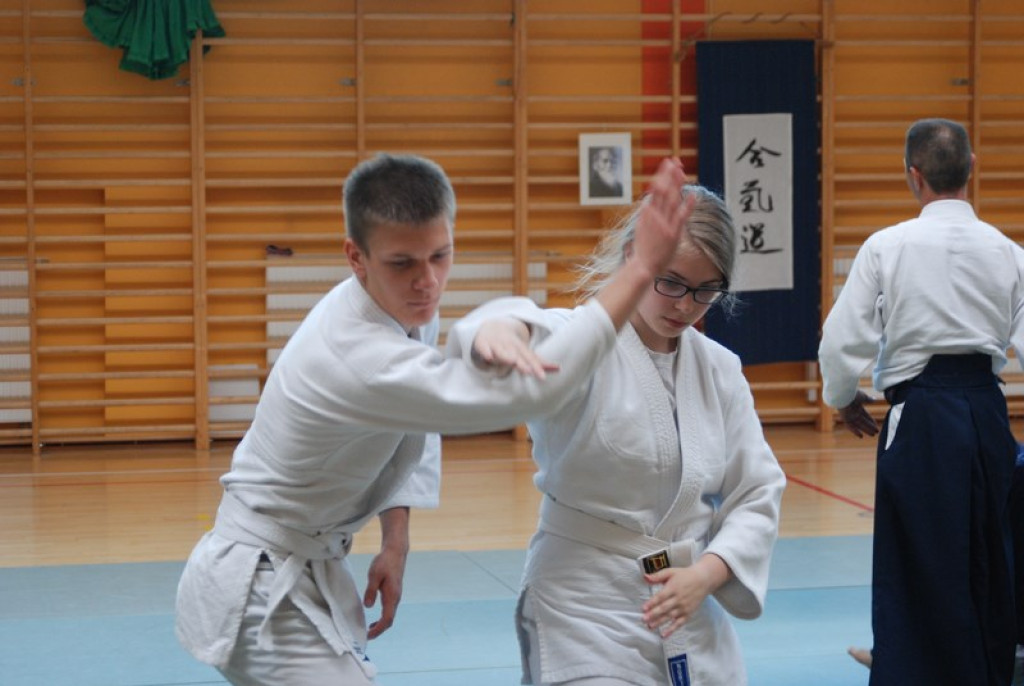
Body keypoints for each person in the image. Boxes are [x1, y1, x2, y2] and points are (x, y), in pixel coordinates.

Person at [174, 153, 696, 685]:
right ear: (356, 257)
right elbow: (525, 397)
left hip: (307, 561)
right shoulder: (355, 352)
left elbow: (410, 428)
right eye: (403, 263)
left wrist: (395, 541)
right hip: (258, 584)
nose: (428, 282)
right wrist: (638, 269)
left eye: (440, 256)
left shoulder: (398, 309)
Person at [450, 184, 786, 685]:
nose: (685, 305)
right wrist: (497, 333)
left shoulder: (719, 370)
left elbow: (757, 491)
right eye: (670, 282)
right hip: (582, 601)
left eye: (705, 290)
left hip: (686, 602)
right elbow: (518, 325)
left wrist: (708, 574)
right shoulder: (585, 342)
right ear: (637, 258)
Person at [818, 118, 1023, 685]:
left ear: (914, 176)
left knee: (915, 560)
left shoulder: (888, 247)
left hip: (922, 414)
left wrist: (842, 397)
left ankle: (910, 669)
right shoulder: (1009, 253)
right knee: (987, 554)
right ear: (972, 169)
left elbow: (840, 344)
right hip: (986, 411)